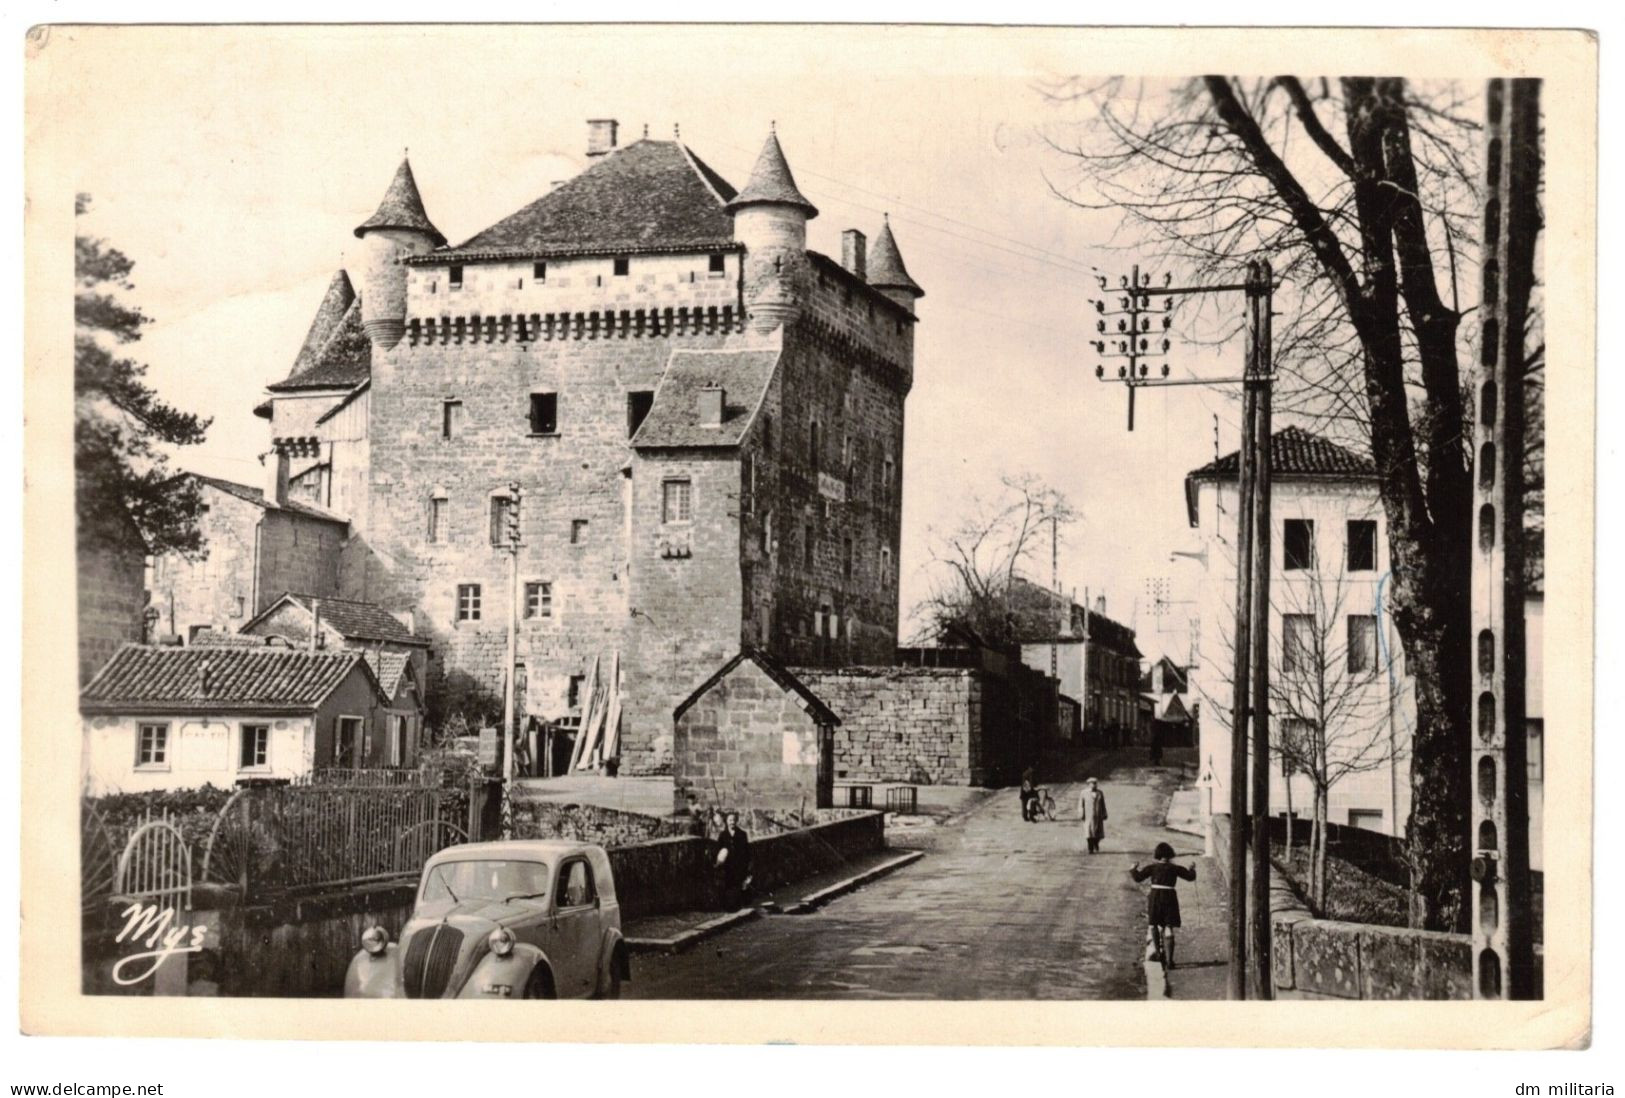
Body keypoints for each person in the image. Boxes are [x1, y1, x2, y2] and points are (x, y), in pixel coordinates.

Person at [1131, 842, 1197, 969]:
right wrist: (1192, 868)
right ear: (1170, 855)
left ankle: (1157, 953)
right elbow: (1190, 877)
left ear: (1158, 855)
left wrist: (1133, 868)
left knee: (1153, 925)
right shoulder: (1175, 868)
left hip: (1155, 897)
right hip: (1170, 897)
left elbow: (1138, 878)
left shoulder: (1153, 868)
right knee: (1168, 927)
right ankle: (1170, 960)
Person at [714, 811, 753, 911]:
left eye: (734, 820)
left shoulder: (742, 834)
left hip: (740, 865)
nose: (732, 822)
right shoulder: (723, 835)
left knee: (739, 886)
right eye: (730, 820)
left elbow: (747, 851)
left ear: (737, 821)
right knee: (728, 885)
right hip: (727, 866)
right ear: (726, 822)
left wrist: (748, 865)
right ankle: (729, 907)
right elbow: (719, 850)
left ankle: (739, 907)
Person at [1078, 776, 1108, 853]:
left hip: (1098, 815)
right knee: (1088, 832)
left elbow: (1103, 804)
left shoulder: (1099, 793)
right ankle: (1090, 848)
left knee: (1098, 832)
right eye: (1092, 784)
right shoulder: (1084, 793)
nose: (1094, 785)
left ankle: (1096, 843)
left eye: (1095, 783)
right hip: (1088, 815)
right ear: (1088, 784)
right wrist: (1081, 814)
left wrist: (1104, 813)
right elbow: (1081, 804)